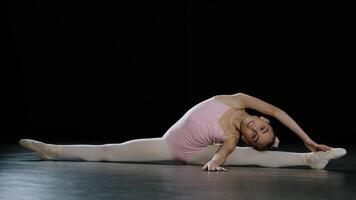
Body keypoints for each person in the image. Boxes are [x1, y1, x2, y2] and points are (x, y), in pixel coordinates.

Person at [19, 93, 347, 171]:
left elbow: (225, 150)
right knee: (110, 149)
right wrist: (306, 135)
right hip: (168, 140)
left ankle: (309, 160)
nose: (255, 128)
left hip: (179, 151)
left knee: (246, 159)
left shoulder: (232, 137)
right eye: (261, 127)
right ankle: (53, 149)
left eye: (254, 136)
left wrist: (217, 160)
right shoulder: (239, 99)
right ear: (262, 119)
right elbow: (278, 111)